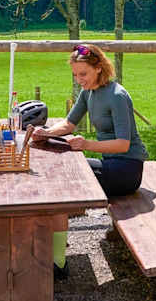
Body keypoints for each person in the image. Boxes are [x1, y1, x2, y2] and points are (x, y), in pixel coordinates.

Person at [32, 43, 148, 276]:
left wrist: (86, 145)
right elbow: (69, 124)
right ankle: (54, 250)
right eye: (75, 75)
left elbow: (123, 144)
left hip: (127, 170)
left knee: (64, 181)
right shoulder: (89, 93)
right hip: (111, 164)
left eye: (83, 74)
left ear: (98, 68)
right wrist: (45, 132)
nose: (79, 80)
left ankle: (57, 262)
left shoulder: (116, 96)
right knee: (61, 174)